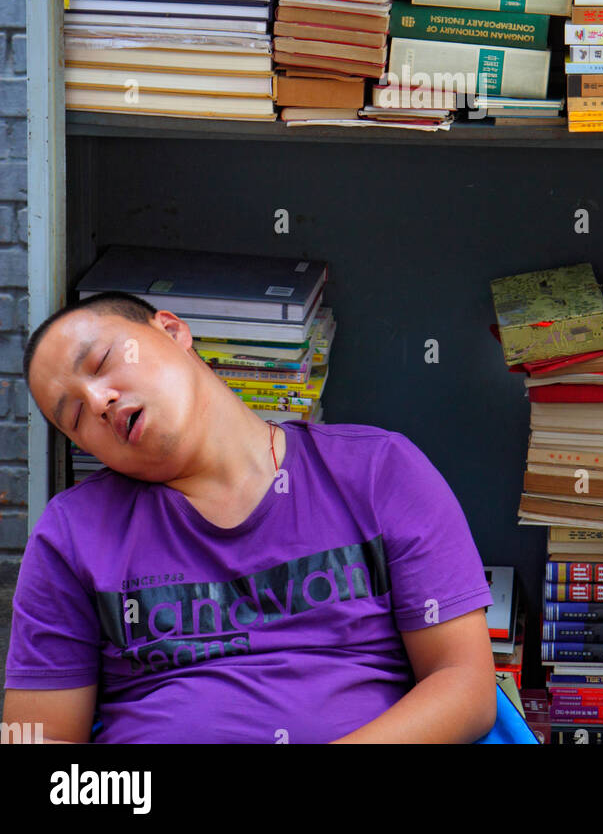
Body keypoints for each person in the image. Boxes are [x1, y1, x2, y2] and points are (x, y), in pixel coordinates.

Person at [2, 293, 498, 744]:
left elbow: (463, 685)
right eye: (74, 417)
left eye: (103, 362)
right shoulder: (72, 535)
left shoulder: (377, 471)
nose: (98, 402)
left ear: (173, 332)